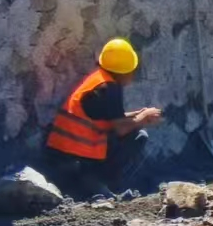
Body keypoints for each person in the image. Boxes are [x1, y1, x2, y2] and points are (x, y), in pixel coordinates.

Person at [44, 38, 162, 197]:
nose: (133, 75)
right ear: (123, 72)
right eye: (132, 70)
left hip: (59, 155)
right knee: (139, 136)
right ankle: (102, 183)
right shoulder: (110, 88)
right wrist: (143, 119)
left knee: (130, 130)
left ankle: (93, 183)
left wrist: (138, 114)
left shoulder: (98, 80)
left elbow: (105, 118)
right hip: (79, 160)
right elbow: (120, 129)